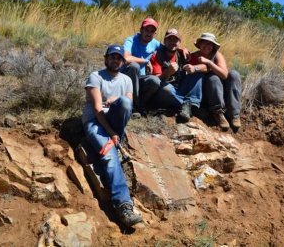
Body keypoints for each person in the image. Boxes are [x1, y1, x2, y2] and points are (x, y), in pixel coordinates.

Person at [82, 44, 142, 227]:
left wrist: (116, 100)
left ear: (123, 62)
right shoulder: (96, 76)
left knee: (124, 102)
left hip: (115, 124)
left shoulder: (126, 80)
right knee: (109, 155)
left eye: (118, 58)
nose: (115, 60)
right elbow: (99, 110)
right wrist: (112, 134)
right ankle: (123, 205)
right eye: (112, 57)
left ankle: (116, 138)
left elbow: (128, 105)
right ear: (106, 59)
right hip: (95, 123)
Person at [187, 32, 242, 131]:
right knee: (213, 78)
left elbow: (224, 75)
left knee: (234, 74)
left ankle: (234, 114)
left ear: (213, 46)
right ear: (199, 44)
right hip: (206, 93)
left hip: (221, 89)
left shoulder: (216, 55)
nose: (207, 46)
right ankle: (218, 113)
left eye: (210, 44)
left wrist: (208, 62)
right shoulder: (193, 56)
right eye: (205, 43)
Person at [150, 28, 203, 122]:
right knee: (167, 89)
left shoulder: (183, 54)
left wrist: (195, 68)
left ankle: (188, 104)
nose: (172, 42)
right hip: (166, 90)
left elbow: (205, 67)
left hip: (180, 88)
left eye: (175, 40)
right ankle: (187, 104)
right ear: (164, 41)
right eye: (169, 39)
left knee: (197, 74)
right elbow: (156, 80)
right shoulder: (157, 55)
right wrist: (168, 72)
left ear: (179, 42)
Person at [122, 17, 162, 116]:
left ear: (155, 34)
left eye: (152, 31)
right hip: (126, 78)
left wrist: (182, 49)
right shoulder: (131, 40)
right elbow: (126, 58)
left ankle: (142, 104)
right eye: (146, 30)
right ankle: (134, 106)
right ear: (141, 30)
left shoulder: (155, 43)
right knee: (134, 66)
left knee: (155, 81)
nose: (149, 33)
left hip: (141, 78)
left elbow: (169, 48)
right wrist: (145, 61)